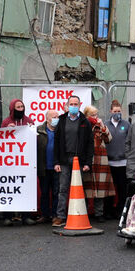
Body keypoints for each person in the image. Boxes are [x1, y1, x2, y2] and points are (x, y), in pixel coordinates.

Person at [52, 95, 93, 227]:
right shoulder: (61, 120)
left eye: (76, 104)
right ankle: (60, 216)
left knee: (79, 189)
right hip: (64, 160)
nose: (74, 106)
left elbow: (89, 144)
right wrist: (56, 162)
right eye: (72, 104)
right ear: (67, 105)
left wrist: (87, 163)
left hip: (79, 161)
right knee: (63, 189)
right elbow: (56, 143)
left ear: (80, 105)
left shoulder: (84, 122)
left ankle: (81, 214)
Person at [82, 106, 114, 220]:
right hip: (87, 159)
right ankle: (83, 212)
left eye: (96, 114)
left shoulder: (100, 126)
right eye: (92, 115)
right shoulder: (83, 125)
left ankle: (99, 213)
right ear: (86, 116)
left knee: (100, 189)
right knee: (86, 188)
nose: (95, 117)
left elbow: (109, 139)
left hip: (100, 160)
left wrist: (102, 126)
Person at [104, 100, 131, 219]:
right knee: (109, 189)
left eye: (119, 111)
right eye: (115, 111)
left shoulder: (126, 124)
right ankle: (108, 211)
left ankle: (121, 211)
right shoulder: (105, 125)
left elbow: (129, 141)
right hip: (109, 162)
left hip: (123, 162)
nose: (117, 113)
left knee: (122, 189)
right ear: (111, 111)